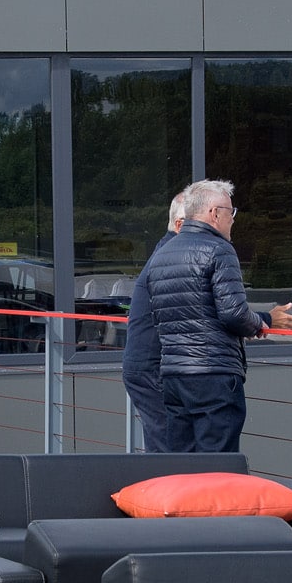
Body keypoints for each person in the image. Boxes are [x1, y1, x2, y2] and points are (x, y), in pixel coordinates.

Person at [145, 178, 292, 454]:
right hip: (214, 374)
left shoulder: (161, 255)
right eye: (231, 212)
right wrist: (264, 321)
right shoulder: (219, 249)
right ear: (214, 213)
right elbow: (233, 314)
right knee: (218, 464)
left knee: (181, 462)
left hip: (173, 375)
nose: (233, 219)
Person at [121, 190, 189, 452]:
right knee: (169, 448)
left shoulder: (166, 251)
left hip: (150, 366)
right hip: (152, 368)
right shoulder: (171, 257)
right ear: (180, 225)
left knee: (166, 445)